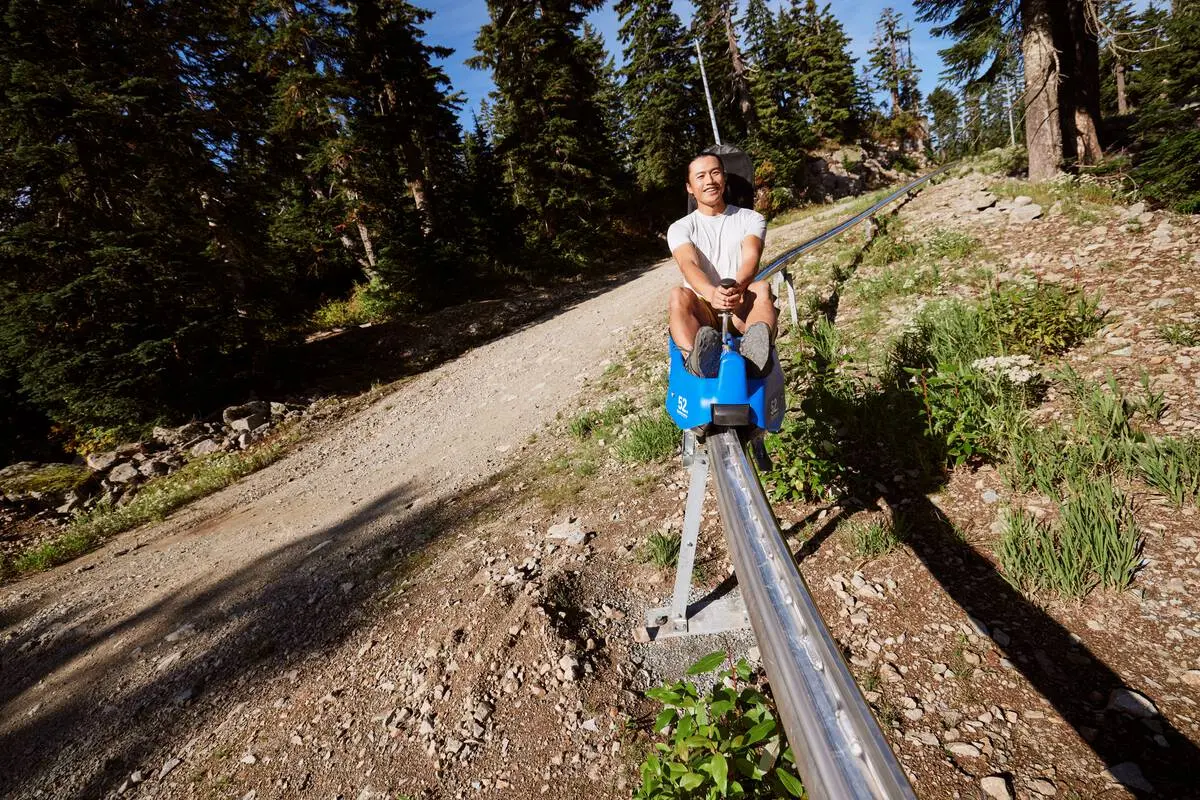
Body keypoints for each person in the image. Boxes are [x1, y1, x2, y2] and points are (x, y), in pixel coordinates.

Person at [667, 152, 778, 378]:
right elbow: (688, 264)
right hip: (703, 310)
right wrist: (711, 293)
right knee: (678, 295)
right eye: (701, 176)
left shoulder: (751, 218)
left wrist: (736, 287)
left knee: (762, 288)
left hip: (739, 301)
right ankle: (696, 361)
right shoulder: (680, 228)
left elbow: (751, 257)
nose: (709, 181)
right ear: (690, 187)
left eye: (715, 173)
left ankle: (757, 359)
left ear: (724, 179)